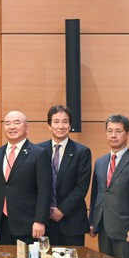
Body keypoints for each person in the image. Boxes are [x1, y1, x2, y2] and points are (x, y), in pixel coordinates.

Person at [89, 114, 129, 258]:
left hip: (126, 232)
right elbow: (96, 195)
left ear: (127, 133)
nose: (113, 135)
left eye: (118, 131)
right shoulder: (101, 162)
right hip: (104, 229)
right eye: (109, 131)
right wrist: (93, 222)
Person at [0, 110, 50, 245]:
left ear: (26, 126)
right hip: (2, 222)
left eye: (17, 123)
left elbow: (45, 190)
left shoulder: (39, 154)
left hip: (28, 223)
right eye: (8, 123)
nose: (12, 127)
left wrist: (40, 220)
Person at [38, 105, 91, 245]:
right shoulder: (38, 150)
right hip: (44, 221)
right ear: (49, 125)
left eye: (65, 121)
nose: (60, 126)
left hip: (71, 221)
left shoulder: (82, 152)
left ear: (70, 125)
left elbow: (81, 187)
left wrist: (61, 210)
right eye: (56, 121)